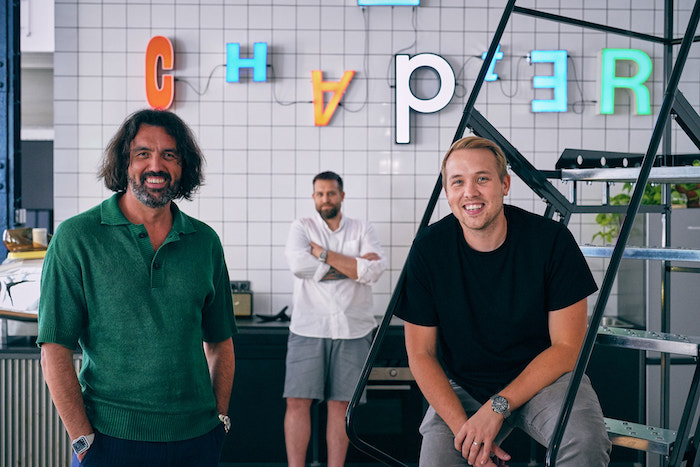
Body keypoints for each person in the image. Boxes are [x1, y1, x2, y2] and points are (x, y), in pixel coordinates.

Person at [395, 136, 611, 466]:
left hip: (545, 379)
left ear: (505, 184)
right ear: (447, 191)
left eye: (482, 178)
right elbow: (421, 354)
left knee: (585, 440)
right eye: (458, 182)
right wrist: (467, 433)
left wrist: (497, 407)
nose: (470, 192)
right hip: (465, 385)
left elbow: (569, 348)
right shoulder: (428, 249)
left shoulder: (551, 241)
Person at [37, 109, 237, 467]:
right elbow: (54, 349)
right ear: (124, 162)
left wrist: (219, 421)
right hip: (109, 441)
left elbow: (220, 342)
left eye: (169, 155)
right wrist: (82, 439)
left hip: (197, 440)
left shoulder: (205, 242)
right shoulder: (77, 238)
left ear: (183, 166)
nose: (156, 165)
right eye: (143, 153)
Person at [284, 171, 387, 467]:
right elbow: (298, 265)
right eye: (320, 194)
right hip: (308, 328)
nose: (325, 199)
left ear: (342, 195)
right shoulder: (301, 227)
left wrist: (322, 254)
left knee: (341, 405)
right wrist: (354, 268)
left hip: (354, 329)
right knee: (297, 402)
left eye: (331, 193)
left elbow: (374, 271)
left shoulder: (362, 227)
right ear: (313, 197)